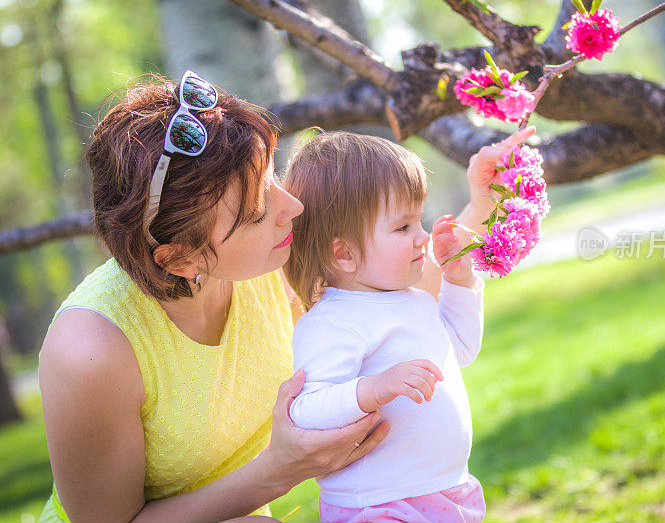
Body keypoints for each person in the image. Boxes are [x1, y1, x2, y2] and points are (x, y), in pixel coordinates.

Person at [36, 69, 534, 522]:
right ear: (180, 259)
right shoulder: (92, 350)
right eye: (256, 211)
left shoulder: (269, 263)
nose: (293, 205)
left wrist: (481, 203)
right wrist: (281, 469)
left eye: (272, 174)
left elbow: (402, 290)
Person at [282, 132, 485, 522]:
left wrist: (460, 282)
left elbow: (459, 351)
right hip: (377, 503)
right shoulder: (331, 322)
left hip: (443, 489)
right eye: (402, 227)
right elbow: (307, 412)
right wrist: (373, 389)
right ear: (344, 253)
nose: (422, 237)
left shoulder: (414, 300)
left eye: (419, 220)